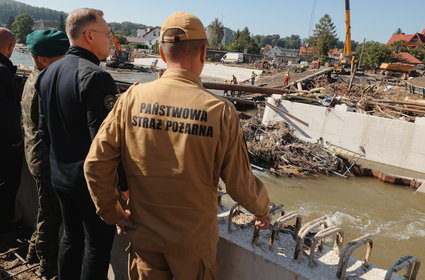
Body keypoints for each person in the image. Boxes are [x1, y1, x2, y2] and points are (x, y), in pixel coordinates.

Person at [84, 11, 271, 280]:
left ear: (161, 53)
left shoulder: (131, 98)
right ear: (204, 53)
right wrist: (262, 210)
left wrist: (112, 213)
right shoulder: (220, 111)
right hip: (192, 244)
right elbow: (239, 183)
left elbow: (95, 164)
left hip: (144, 235)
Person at [36, 8, 126, 279]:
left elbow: (44, 132)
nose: (110, 40)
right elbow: (105, 145)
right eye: (107, 33)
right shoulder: (96, 77)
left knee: (70, 238)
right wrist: (123, 187)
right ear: (89, 35)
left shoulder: (48, 73)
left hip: (60, 176)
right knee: (96, 248)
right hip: (90, 184)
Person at [22, 29, 69, 278]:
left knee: (45, 209)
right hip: (45, 160)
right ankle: (45, 263)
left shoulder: (35, 76)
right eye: (61, 56)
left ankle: (31, 251)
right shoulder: (45, 82)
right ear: (43, 59)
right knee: (50, 215)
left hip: (34, 154)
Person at [0, 28, 23, 233]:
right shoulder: (3, 72)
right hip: (4, 145)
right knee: (7, 186)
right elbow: (7, 112)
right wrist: (16, 140)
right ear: (9, 48)